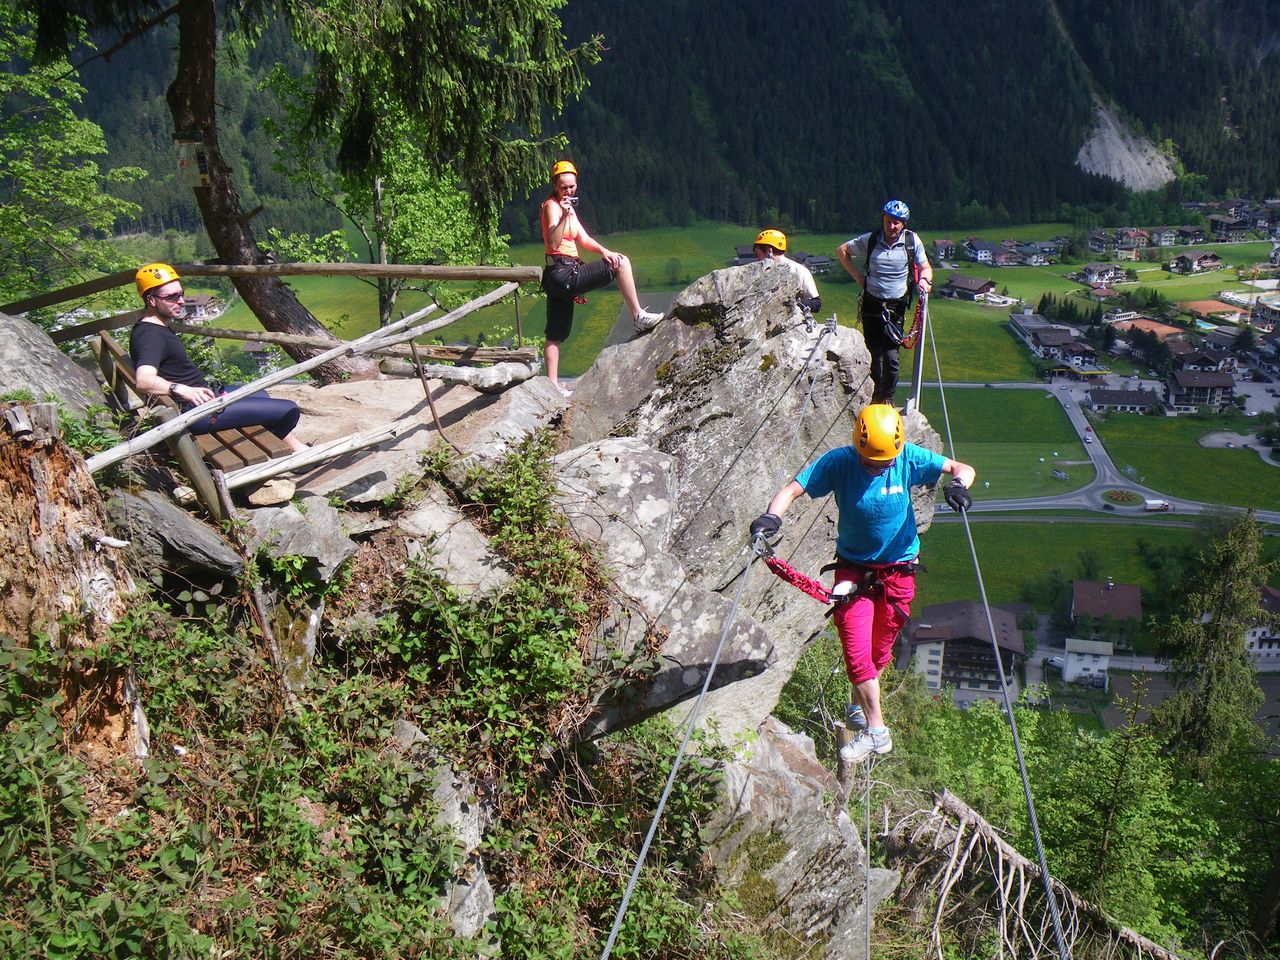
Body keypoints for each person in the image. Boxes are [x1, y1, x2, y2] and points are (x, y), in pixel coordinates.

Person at [749, 404, 975, 763]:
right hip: (854, 572)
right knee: (856, 652)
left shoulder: (905, 458)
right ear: (858, 447)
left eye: (883, 463)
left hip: (899, 573)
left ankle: (859, 709)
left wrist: (958, 485)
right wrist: (771, 517)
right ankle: (876, 730)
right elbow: (792, 489)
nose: (878, 468)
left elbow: (961, 468)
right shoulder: (840, 462)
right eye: (871, 462)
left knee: (878, 654)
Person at [130, 262, 309, 453]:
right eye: (172, 297)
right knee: (289, 410)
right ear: (151, 300)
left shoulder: (152, 326)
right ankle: (279, 451)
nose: (181, 301)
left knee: (261, 395)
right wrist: (182, 389)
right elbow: (144, 380)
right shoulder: (150, 336)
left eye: (181, 293)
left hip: (203, 398)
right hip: (200, 413)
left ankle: (295, 448)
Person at [540, 160, 664, 397]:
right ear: (555, 186)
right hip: (563, 272)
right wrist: (565, 215)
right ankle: (638, 316)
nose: (569, 191)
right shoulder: (552, 207)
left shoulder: (568, 209)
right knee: (622, 263)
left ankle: (552, 387)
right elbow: (554, 242)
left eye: (572, 187)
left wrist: (605, 252)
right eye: (564, 187)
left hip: (557, 275)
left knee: (555, 334)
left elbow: (584, 239)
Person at [836, 199, 933, 406]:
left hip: (895, 308)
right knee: (872, 352)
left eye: (896, 222)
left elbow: (925, 267)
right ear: (883, 220)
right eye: (889, 221)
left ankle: (886, 397)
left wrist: (924, 280)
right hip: (871, 304)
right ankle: (875, 394)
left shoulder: (911, 241)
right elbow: (842, 251)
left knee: (891, 356)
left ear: (903, 223)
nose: (891, 226)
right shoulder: (871, 240)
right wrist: (858, 277)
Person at [752, 228, 822, 314]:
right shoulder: (759, 272)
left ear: (769, 251)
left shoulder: (799, 271)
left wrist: (792, 304)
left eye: (758, 255)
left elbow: (816, 304)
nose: (757, 260)